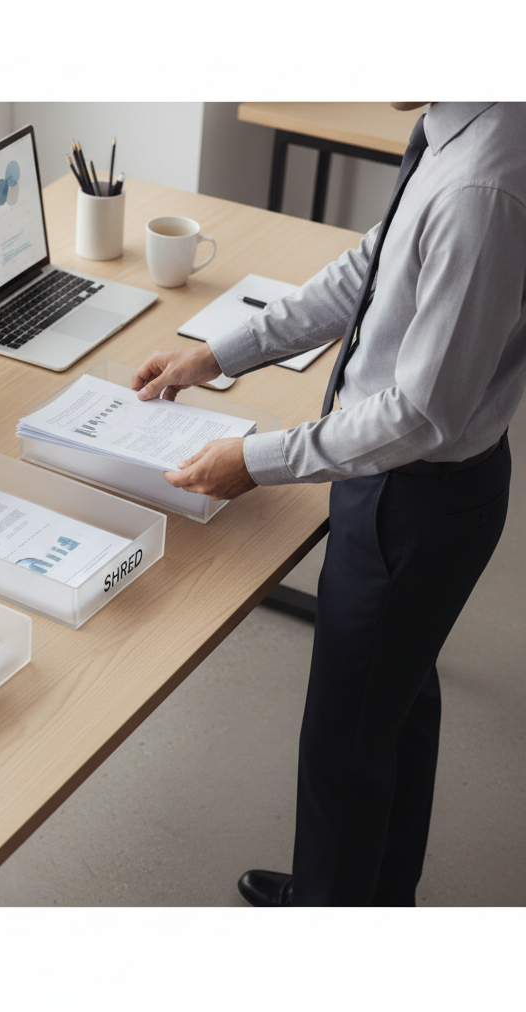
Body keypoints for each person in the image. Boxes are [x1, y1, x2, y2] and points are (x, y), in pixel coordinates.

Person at [131, 102, 526, 906]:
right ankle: (369, 896)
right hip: (418, 487)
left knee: (345, 747)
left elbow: (420, 415)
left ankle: (329, 905)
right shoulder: (462, 126)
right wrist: (218, 355)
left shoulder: (480, 190)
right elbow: (373, 271)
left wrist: (256, 461)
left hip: (412, 499)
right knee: (394, 703)